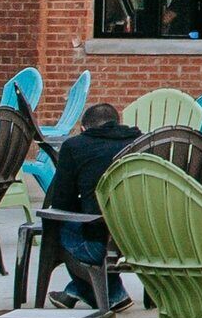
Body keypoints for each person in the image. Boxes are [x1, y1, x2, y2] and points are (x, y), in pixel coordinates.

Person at [39, 99, 143, 303]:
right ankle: (89, 292)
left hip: (98, 242)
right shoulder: (140, 142)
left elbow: (62, 203)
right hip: (141, 239)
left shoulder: (75, 146)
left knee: (56, 224)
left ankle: (103, 292)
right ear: (118, 122)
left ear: (83, 128)